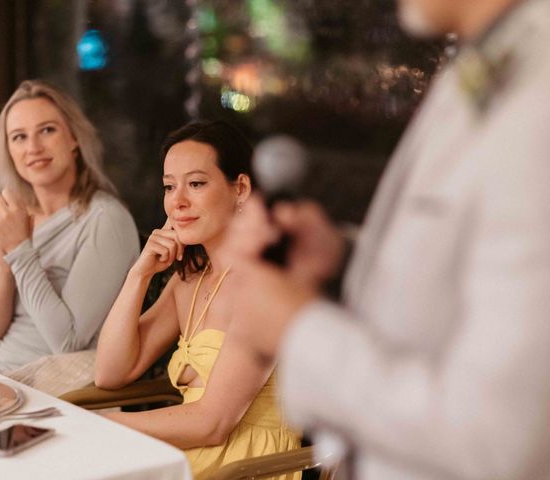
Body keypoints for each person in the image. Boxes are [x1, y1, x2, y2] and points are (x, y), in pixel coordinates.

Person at [221, 0, 550, 478]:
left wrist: (298, 329)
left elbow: (499, 435)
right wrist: (341, 261)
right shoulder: (496, 62)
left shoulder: (537, 96)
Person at [95, 120, 300, 479]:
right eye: (169, 186)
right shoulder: (190, 279)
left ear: (241, 189)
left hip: (246, 467)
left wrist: (106, 425)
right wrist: (138, 275)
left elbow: (212, 423)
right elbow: (111, 373)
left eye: (196, 183)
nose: (178, 202)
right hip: (191, 458)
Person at [0, 80, 140, 383]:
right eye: (19, 137)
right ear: (9, 150)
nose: (33, 148)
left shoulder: (104, 219)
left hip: (46, 386)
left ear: (74, 137)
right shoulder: (18, 217)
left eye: (47, 130)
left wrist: (21, 251)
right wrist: (4, 263)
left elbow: (68, 343)